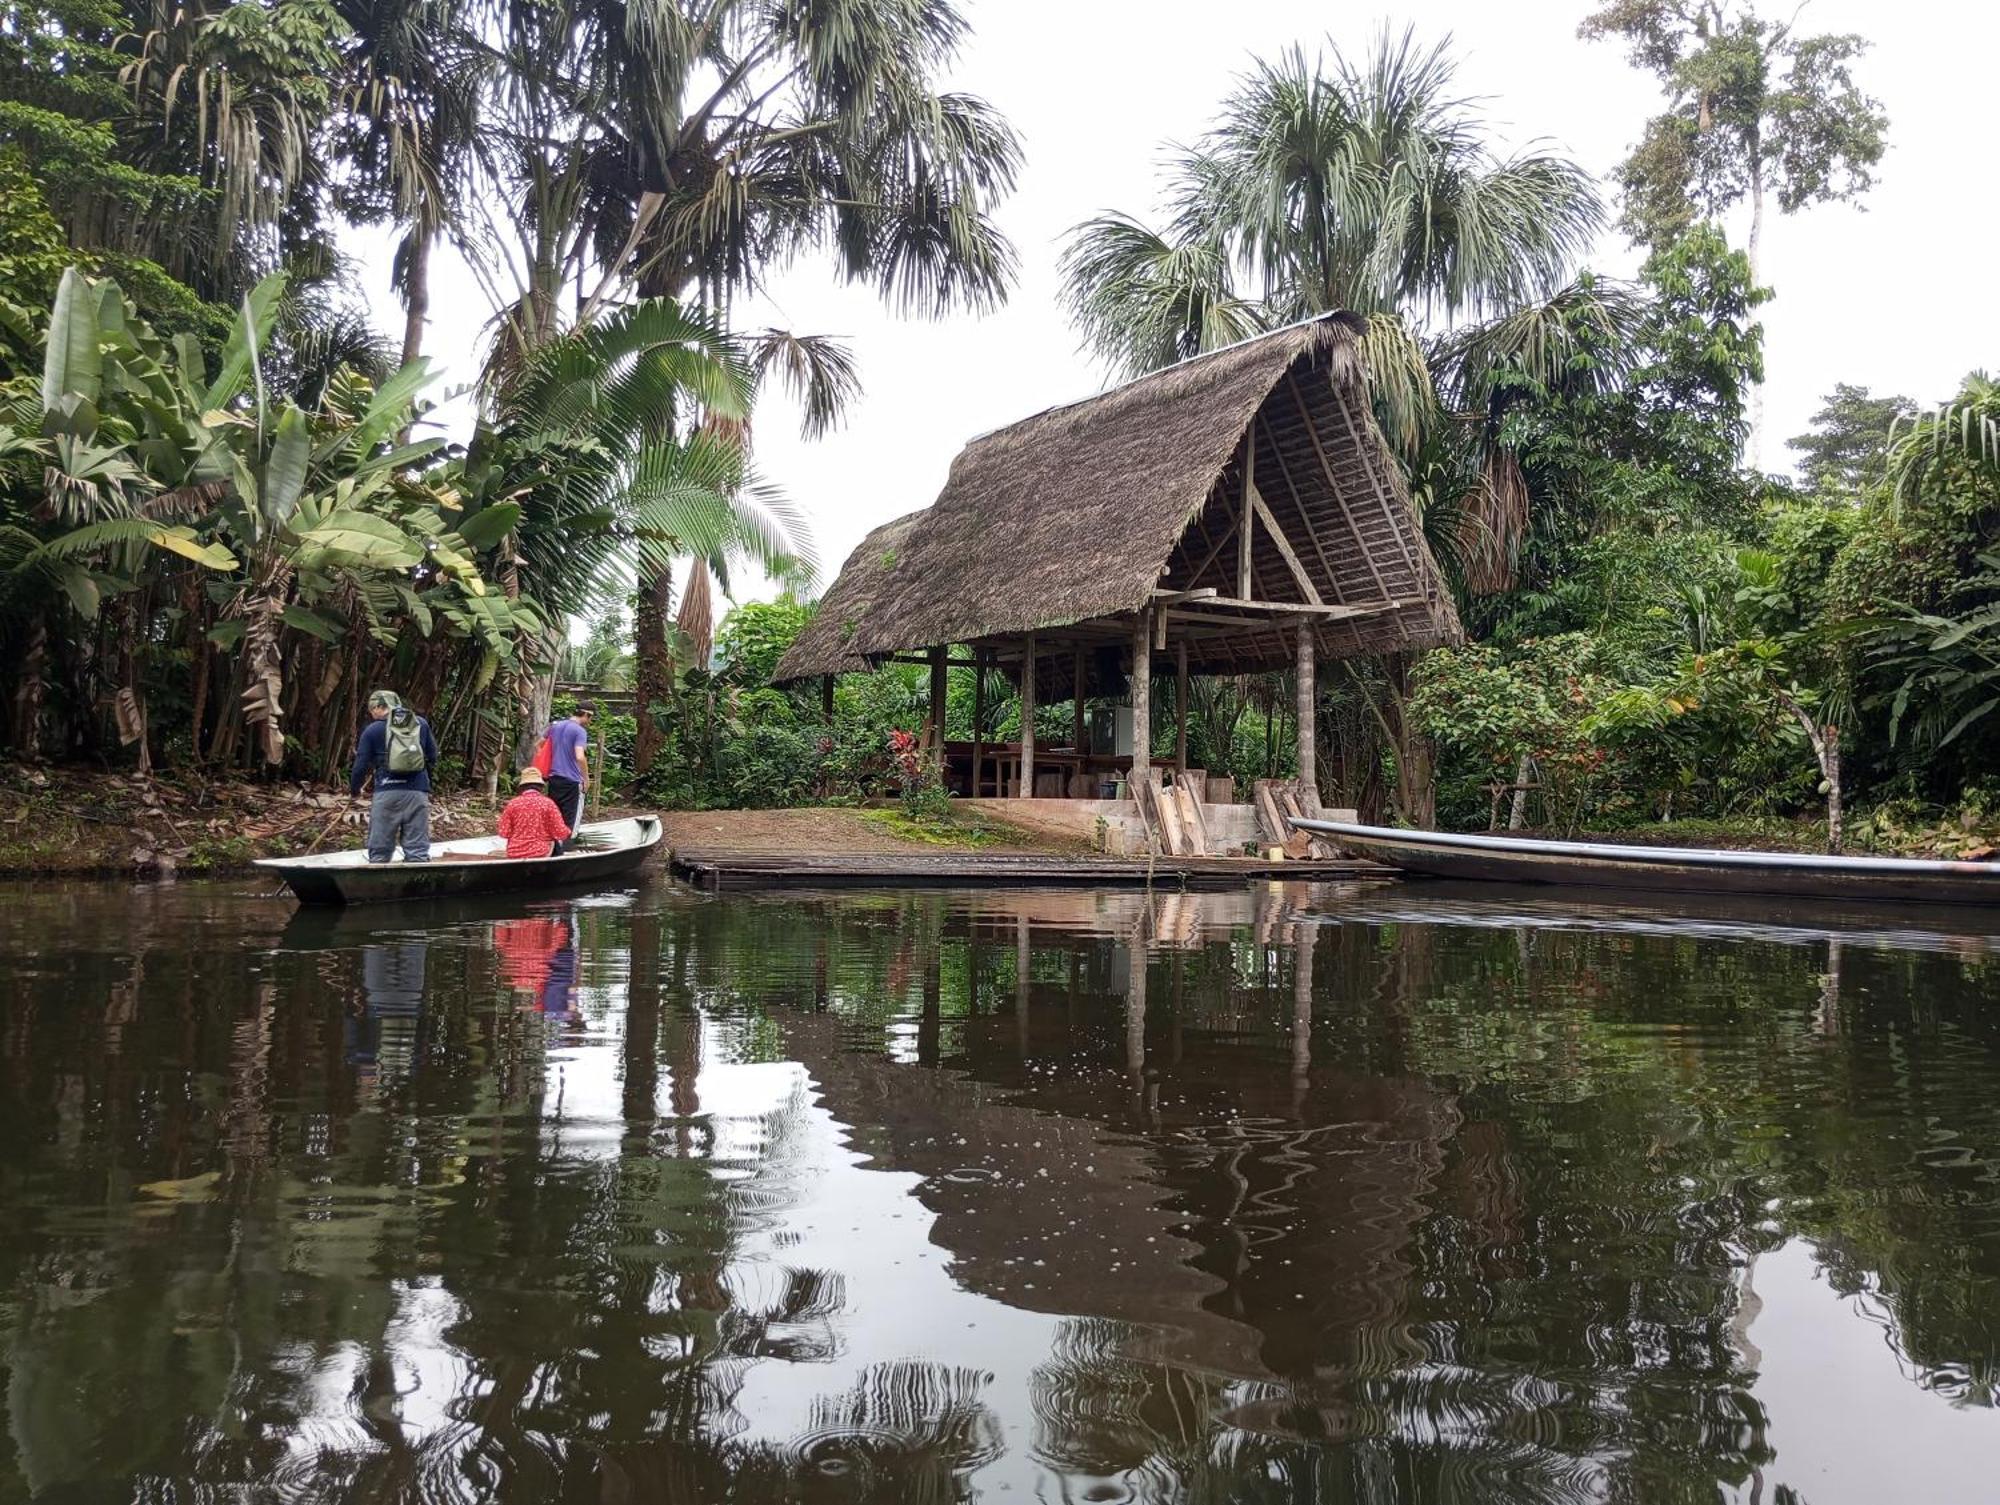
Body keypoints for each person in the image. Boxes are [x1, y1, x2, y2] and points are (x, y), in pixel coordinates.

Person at [349, 689, 438, 863]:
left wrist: (354, 790)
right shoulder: (420, 723)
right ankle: (418, 884)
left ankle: (378, 883)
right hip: (417, 792)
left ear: (380, 707)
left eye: (372, 709)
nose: (372, 714)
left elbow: (359, 766)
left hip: (386, 792)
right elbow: (433, 756)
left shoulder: (372, 730)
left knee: (380, 850)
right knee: (417, 850)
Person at [542, 701, 594, 853]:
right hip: (572, 781)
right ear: (586, 715)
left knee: (555, 817)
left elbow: (539, 745)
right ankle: (566, 853)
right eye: (590, 718)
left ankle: (553, 851)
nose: (590, 722)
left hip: (554, 779)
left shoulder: (555, 726)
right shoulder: (579, 731)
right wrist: (586, 778)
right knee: (571, 821)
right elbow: (580, 756)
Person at [497, 766, 572, 858]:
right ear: (540, 787)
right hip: (540, 852)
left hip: (515, 853)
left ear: (522, 787)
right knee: (555, 841)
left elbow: (504, 832)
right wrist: (568, 831)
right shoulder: (548, 803)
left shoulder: (512, 804)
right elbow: (561, 833)